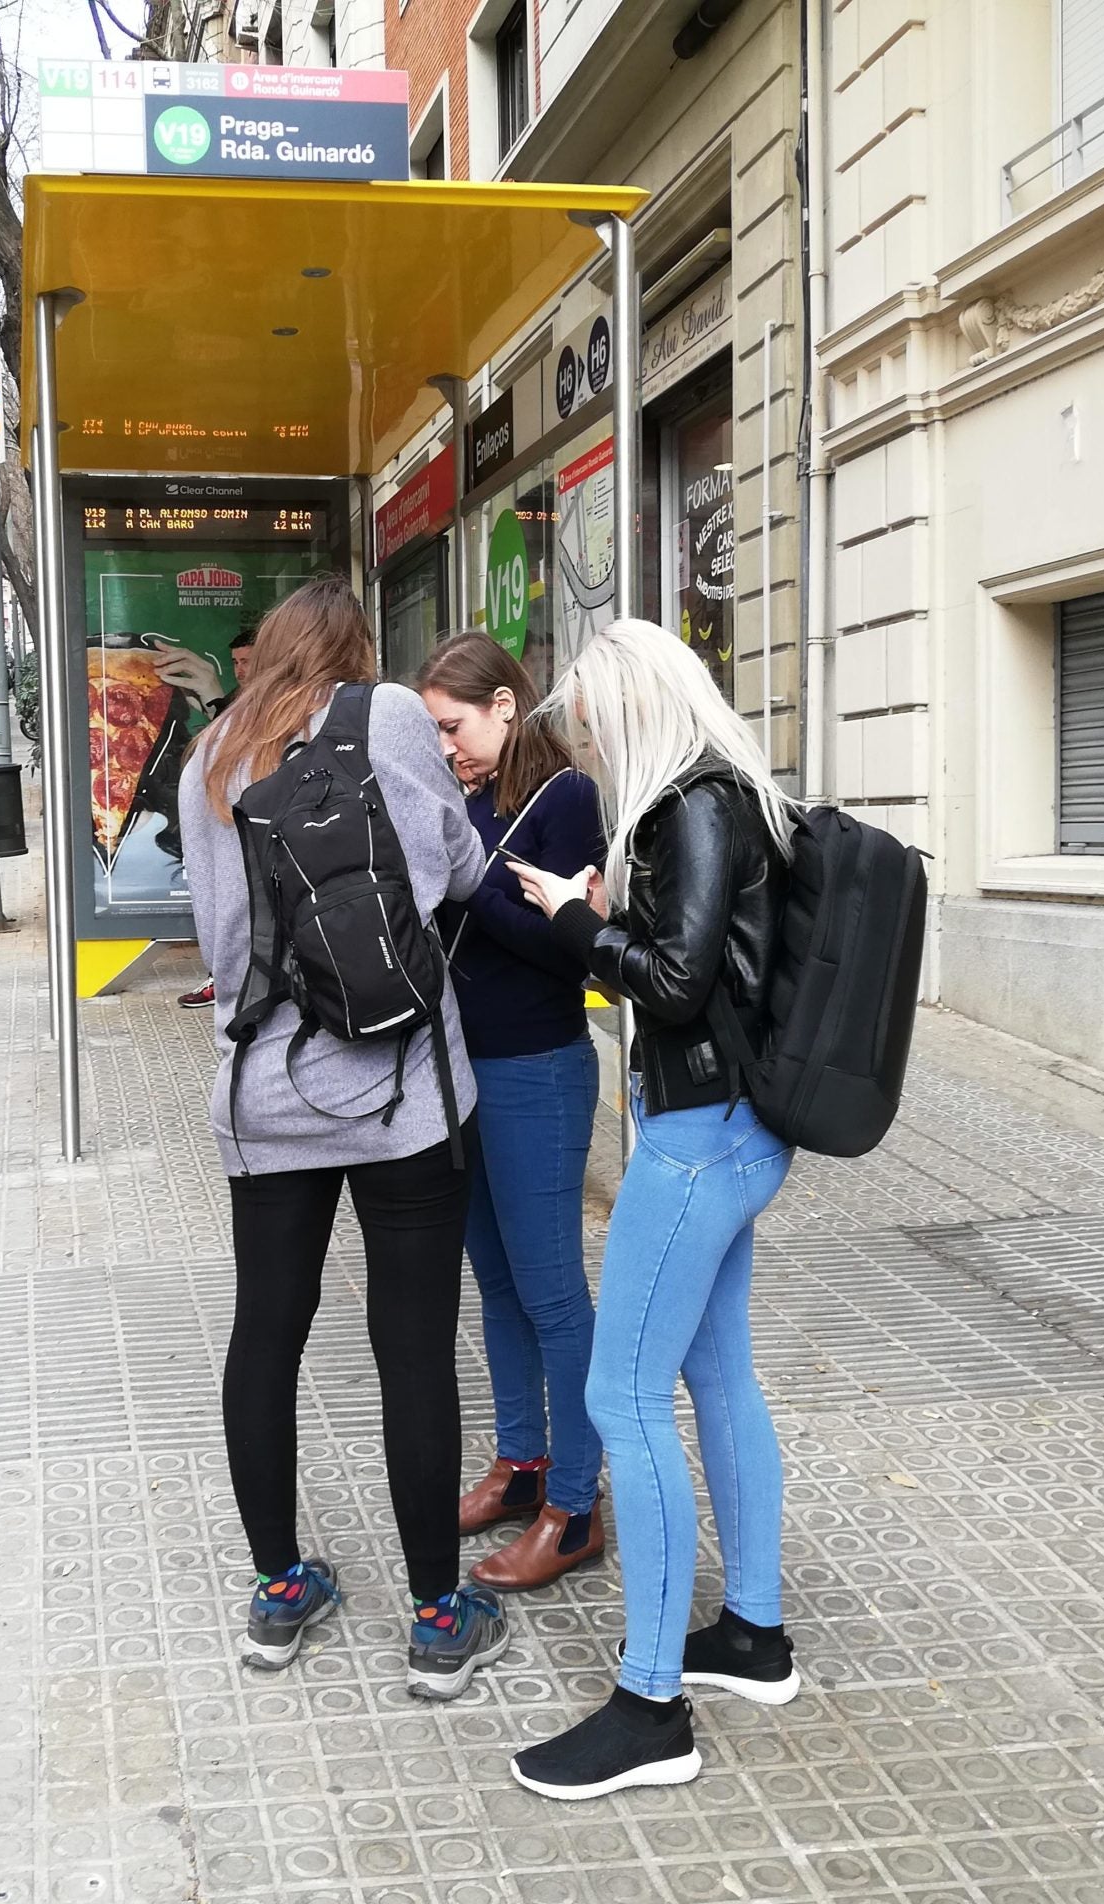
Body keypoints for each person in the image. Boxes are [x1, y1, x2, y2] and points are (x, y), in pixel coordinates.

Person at [178, 577, 509, 1701]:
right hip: (403, 1088)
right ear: (358, 647)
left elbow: (216, 934)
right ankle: (434, 1618)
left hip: (266, 1093)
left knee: (264, 1336)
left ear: (262, 652)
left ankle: (279, 1592)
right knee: (412, 1346)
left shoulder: (212, 752)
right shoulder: (393, 718)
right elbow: (458, 868)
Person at [500, 618, 802, 1801]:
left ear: (623, 707)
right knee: (716, 1375)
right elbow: (700, 961)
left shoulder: (686, 805)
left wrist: (575, 921)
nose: (582, 751)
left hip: (695, 1140)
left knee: (620, 1394)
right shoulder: (728, 795)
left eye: (585, 726)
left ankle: (650, 1710)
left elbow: (670, 987)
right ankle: (754, 1637)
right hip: (737, 1129)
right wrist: (603, 911)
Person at [417, 631, 609, 1591]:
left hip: (536, 1069)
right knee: (493, 1283)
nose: (446, 745)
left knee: (552, 1292)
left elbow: (566, 952)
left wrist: (467, 874)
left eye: (454, 725)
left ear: (504, 704)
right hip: (462, 1071)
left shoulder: (564, 800)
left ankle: (577, 1505)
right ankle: (522, 1466)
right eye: (434, 731)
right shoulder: (462, 797)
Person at [167, 627, 260, 1012]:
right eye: (236, 662)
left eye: (247, 661)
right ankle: (225, 974)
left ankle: (231, 976)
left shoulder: (276, 699)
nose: (240, 670)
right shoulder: (242, 695)